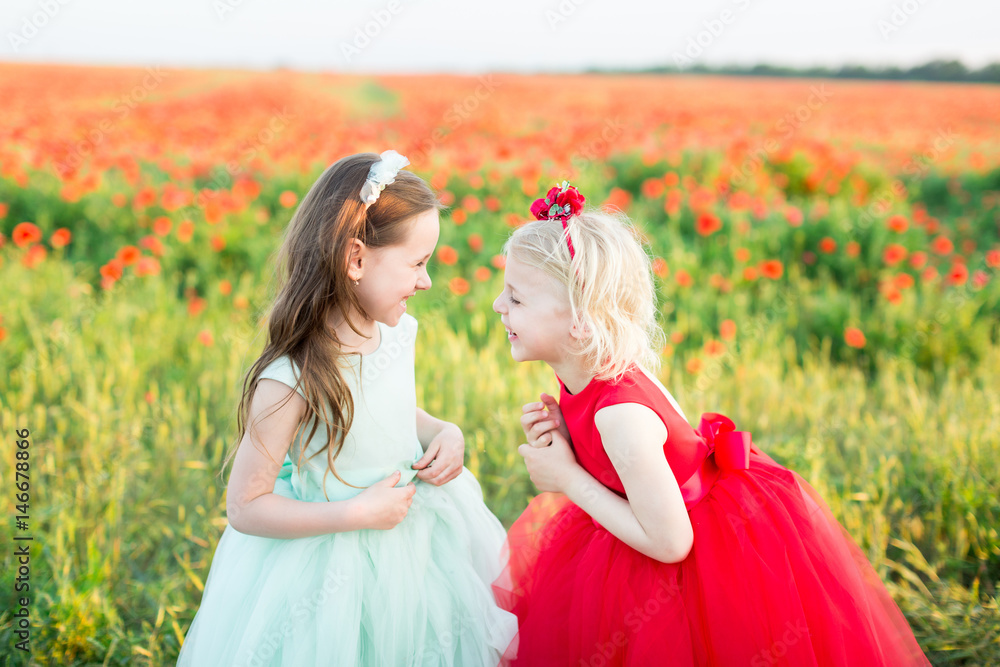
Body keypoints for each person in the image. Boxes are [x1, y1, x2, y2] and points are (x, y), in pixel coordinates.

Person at [490, 182, 929, 666]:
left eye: (515, 297)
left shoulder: (621, 415)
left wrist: (567, 478)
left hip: (703, 556)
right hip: (650, 524)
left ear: (580, 321)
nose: (498, 306)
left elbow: (672, 544)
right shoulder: (585, 377)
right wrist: (571, 438)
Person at [177, 151, 516, 666]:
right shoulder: (291, 378)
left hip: (417, 543)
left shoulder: (400, 334)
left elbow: (393, 413)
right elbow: (245, 506)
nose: (426, 281)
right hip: (329, 560)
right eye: (418, 263)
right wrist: (355, 514)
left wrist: (442, 431)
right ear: (355, 259)